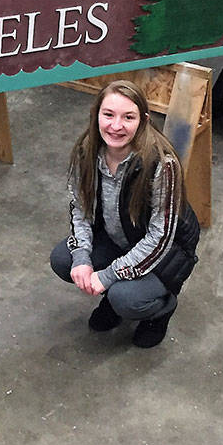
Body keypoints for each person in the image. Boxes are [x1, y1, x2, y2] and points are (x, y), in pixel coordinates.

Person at [49, 80, 201, 347]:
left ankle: (160, 311)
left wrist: (107, 276)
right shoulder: (88, 150)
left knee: (126, 299)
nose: (116, 126)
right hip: (119, 238)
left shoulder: (162, 163)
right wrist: (83, 257)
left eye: (128, 117)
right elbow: (81, 208)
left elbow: (160, 237)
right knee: (65, 259)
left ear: (143, 119)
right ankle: (115, 293)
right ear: (96, 114)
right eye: (108, 115)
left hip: (166, 252)